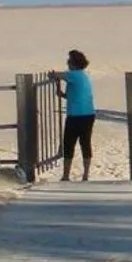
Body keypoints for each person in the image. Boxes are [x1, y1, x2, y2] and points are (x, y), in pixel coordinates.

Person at [56, 49, 96, 182]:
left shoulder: (74, 74)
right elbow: (71, 95)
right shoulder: (82, 75)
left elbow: (56, 75)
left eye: (69, 60)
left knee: (69, 143)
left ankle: (66, 175)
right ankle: (85, 175)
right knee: (85, 142)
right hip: (88, 114)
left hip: (76, 115)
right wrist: (60, 91)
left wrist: (54, 76)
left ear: (73, 63)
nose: (67, 62)